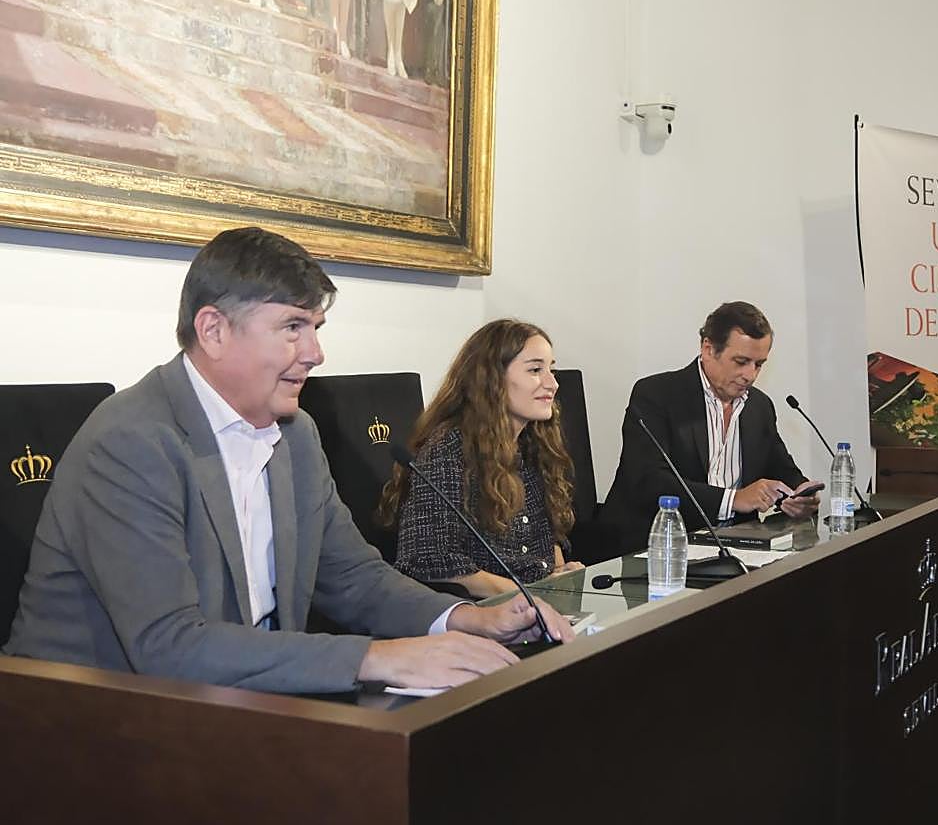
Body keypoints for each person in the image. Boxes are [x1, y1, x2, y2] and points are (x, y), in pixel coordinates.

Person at [3, 227, 572, 694]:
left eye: (316, 329)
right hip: (85, 722)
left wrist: (468, 618)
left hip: (233, 707)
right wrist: (380, 657)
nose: (316, 354)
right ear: (214, 330)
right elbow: (170, 647)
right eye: (292, 328)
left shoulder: (295, 435)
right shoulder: (130, 442)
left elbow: (354, 578)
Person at [378, 320, 583, 598]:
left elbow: (551, 538)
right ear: (492, 379)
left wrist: (560, 574)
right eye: (536, 370)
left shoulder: (535, 443)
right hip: (478, 613)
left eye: (551, 369)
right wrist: (531, 598)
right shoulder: (448, 448)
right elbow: (429, 560)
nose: (553, 383)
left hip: (533, 605)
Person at [601, 301, 822, 553]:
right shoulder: (656, 395)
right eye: (741, 361)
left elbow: (782, 469)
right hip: (654, 547)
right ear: (708, 349)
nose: (750, 375)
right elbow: (650, 481)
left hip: (732, 547)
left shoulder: (759, 406)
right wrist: (734, 499)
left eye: (759, 364)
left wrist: (801, 494)